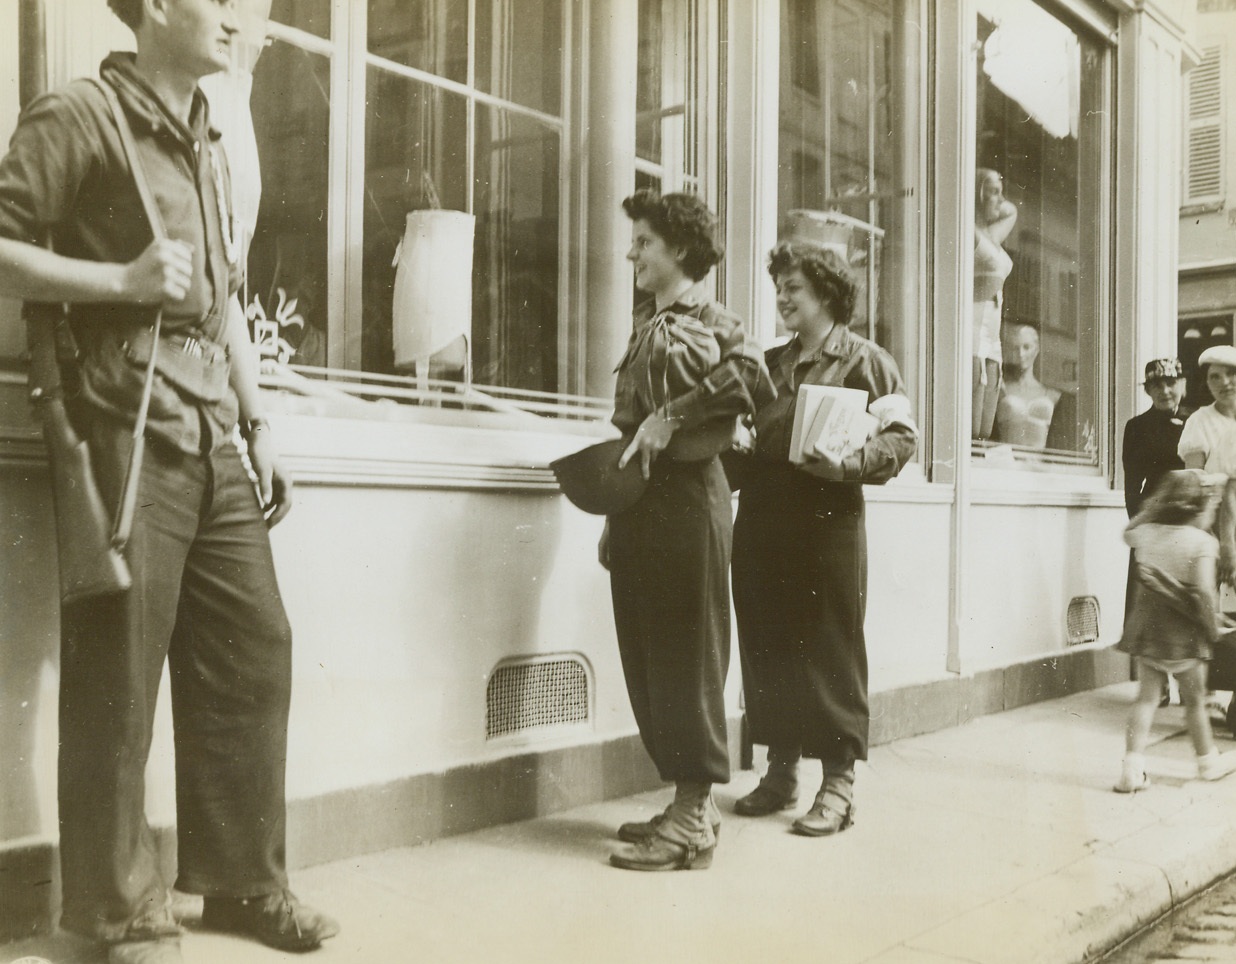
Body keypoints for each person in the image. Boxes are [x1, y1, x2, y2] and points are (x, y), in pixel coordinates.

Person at [0, 2, 338, 962]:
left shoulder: (212, 140)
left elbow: (223, 296)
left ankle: (240, 885)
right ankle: (115, 914)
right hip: (123, 427)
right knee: (118, 672)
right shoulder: (79, 114)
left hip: (212, 427)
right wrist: (122, 284)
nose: (243, 18)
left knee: (254, 643)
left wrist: (259, 418)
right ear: (152, 8)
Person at [603, 189, 772, 872]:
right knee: (648, 655)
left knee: (687, 655)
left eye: (642, 241)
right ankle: (682, 804)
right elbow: (629, 429)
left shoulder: (712, 316)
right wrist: (617, 514)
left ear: (677, 248)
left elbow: (753, 376)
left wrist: (672, 415)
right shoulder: (649, 320)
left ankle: (696, 817)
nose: (631, 252)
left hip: (692, 501)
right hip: (645, 504)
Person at [729, 240, 917, 837]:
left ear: (828, 294)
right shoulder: (768, 362)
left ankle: (839, 784)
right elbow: (751, 438)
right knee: (768, 641)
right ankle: (781, 773)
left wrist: (850, 463)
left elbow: (902, 439)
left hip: (827, 518)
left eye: (795, 288)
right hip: (762, 516)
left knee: (829, 645)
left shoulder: (866, 360)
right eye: (779, 287)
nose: (782, 298)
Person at [1116, 471, 1236, 792]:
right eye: (1211, 507)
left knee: (1145, 699)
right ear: (1199, 508)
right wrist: (1213, 627)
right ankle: (1207, 762)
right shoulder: (1202, 544)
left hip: (1148, 631)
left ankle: (1131, 768)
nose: (1212, 514)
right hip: (1185, 634)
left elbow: (1127, 532)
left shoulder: (1146, 532)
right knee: (1195, 701)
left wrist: (1153, 508)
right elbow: (1204, 595)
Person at [1123, 359, 1190, 624]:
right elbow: (1132, 486)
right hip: (1153, 520)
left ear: (1182, 384)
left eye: (1170, 383)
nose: (1164, 391)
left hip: (1190, 521)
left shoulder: (1195, 420)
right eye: (1156, 385)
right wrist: (1142, 528)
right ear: (1147, 391)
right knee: (1148, 607)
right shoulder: (1137, 427)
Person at [1179, 344, 1236, 588]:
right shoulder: (1199, 421)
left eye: (1231, 374)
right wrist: (1223, 544)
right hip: (1216, 529)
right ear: (1207, 383)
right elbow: (1195, 487)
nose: (1225, 382)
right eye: (1215, 376)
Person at [972, 168, 1017, 440]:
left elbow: (1011, 210)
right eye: (994, 193)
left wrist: (994, 192)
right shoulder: (970, 233)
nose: (1002, 201)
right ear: (976, 193)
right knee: (972, 425)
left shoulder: (991, 234)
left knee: (985, 429)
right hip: (974, 326)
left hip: (992, 332)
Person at [994, 321, 1061, 448]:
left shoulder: (1051, 394)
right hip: (1008, 465)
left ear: (1036, 350)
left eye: (1026, 347)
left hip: (1039, 465)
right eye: (1015, 348)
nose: (1020, 354)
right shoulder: (1001, 389)